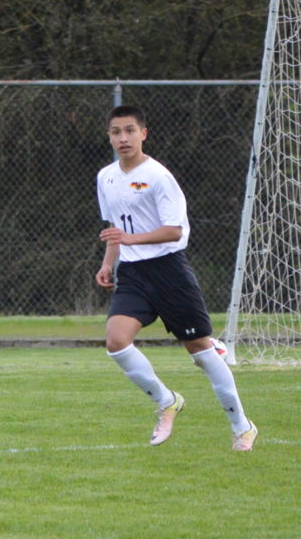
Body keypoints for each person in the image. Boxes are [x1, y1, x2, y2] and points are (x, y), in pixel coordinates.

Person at [95, 104, 257, 451]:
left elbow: (174, 231)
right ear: (109, 136)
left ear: (143, 134)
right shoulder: (106, 177)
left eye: (130, 130)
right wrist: (109, 263)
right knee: (116, 341)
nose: (123, 138)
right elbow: (114, 228)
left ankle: (242, 426)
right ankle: (166, 401)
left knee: (200, 352)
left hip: (169, 271)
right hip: (133, 274)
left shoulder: (158, 177)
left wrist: (131, 240)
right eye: (116, 132)